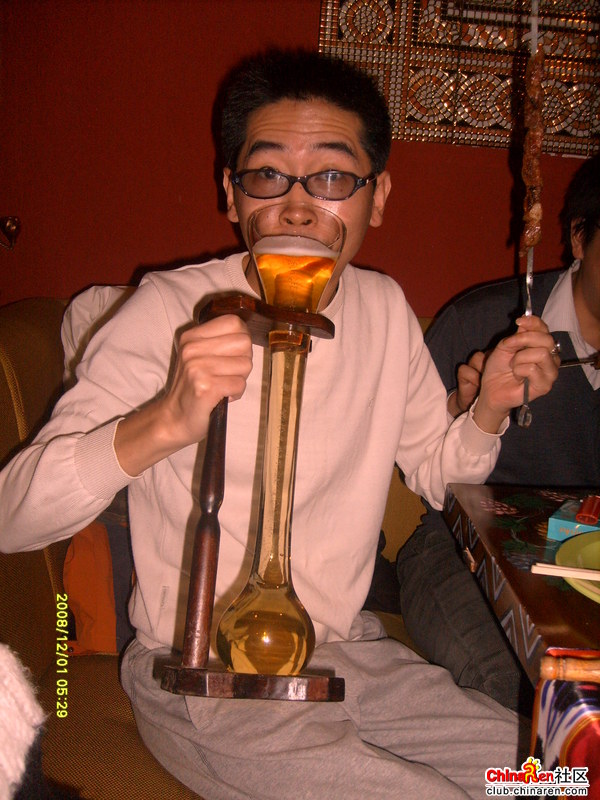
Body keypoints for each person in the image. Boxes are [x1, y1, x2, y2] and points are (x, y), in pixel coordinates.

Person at [0, 50, 559, 800]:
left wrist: (488, 406)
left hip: (350, 662)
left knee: (557, 777)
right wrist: (161, 422)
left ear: (378, 196)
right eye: (267, 175)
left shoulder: (384, 310)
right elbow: (13, 516)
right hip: (203, 677)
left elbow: (438, 472)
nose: (297, 207)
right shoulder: (169, 309)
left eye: (332, 177)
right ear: (230, 194)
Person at [396, 153, 600, 716]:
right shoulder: (479, 323)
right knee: (530, 702)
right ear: (580, 239)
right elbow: (422, 477)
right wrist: (467, 412)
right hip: (462, 556)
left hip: (587, 574)